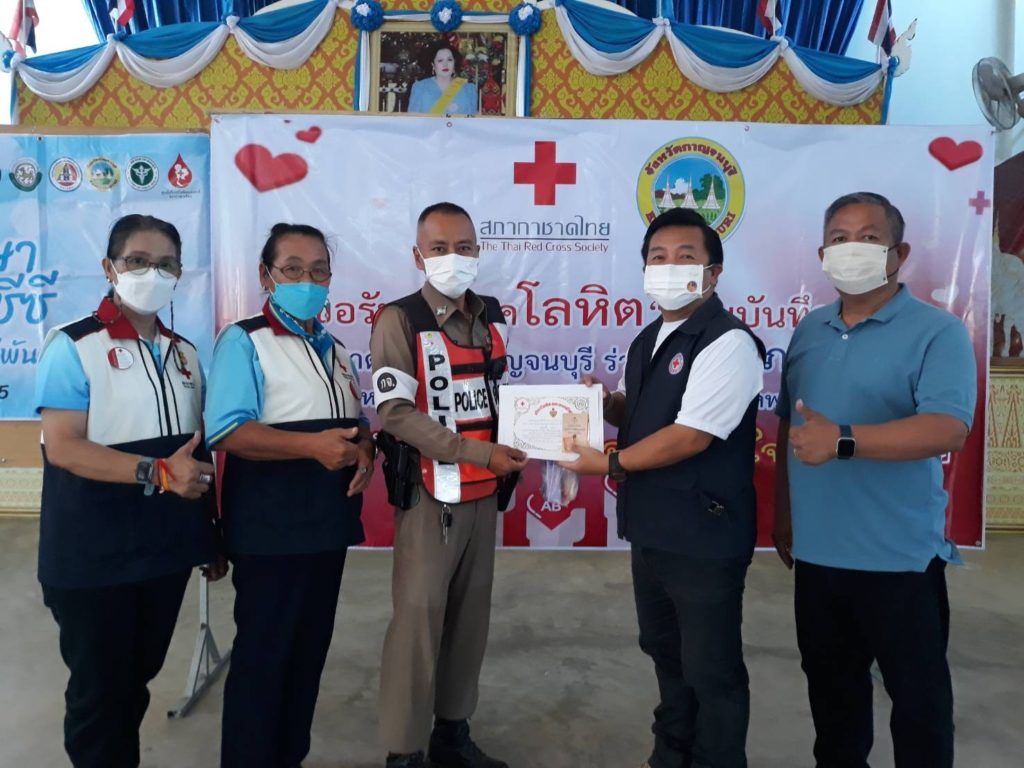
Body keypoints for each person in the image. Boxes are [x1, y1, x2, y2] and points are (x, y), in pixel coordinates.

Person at [773, 192, 976, 768]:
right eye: (839, 238)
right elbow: (791, 424)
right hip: (818, 556)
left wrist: (844, 440)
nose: (851, 248)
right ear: (822, 255)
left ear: (899, 253)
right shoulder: (810, 330)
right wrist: (783, 515)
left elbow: (947, 427)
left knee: (918, 706)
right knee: (833, 703)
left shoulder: (938, 332)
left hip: (899, 559)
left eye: (868, 237)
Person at [562, 208, 765, 768]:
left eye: (685, 257)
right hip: (652, 527)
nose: (669, 267)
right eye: (658, 257)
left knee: (711, 670)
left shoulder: (729, 342)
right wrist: (606, 405)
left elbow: (691, 435)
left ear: (713, 272)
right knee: (665, 653)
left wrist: (610, 463)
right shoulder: (649, 338)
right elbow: (642, 412)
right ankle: (671, 755)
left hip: (703, 533)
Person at [35, 213, 223, 768]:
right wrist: (157, 472)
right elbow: (64, 447)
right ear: (109, 267)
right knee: (99, 691)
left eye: (165, 264)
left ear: (180, 273)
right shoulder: (72, 346)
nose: (151, 274)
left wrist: (209, 535)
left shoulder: (185, 354)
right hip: (91, 554)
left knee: (136, 678)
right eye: (137, 261)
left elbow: (196, 453)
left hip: (163, 551)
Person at [205, 223, 375, 768]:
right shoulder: (244, 340)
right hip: (270, 531)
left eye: (319, 271)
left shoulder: (336, 348)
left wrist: (366, 449)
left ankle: (289, 757)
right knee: (264, 659)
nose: (308, 281)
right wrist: (311, 448)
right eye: (294, 269)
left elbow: (353, 423)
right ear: (266, 275)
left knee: (307, 656)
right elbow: (227, 431)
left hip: (326, 527)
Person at [371, 202, 528, 768]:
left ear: (478, 252)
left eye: (464, 247)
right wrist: (475, 452)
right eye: (439, 248)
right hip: (431, 496)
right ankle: (404, 750)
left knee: (469, 622)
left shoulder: (492, 317)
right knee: (418, 622)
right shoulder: (400, 319)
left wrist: (561, 417)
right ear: (419, 257)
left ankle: (452, 735)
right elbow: (394, 413)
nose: (453, 258)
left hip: (486, 494)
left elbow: (499, 396)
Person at [407, 42, 478, 115]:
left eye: (449, 60)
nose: (445, 64)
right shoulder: (420, 88)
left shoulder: (468, 89)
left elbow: (472, 120)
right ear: (433, 65)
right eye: (440, 60)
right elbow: (412, 120)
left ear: (454, 63)